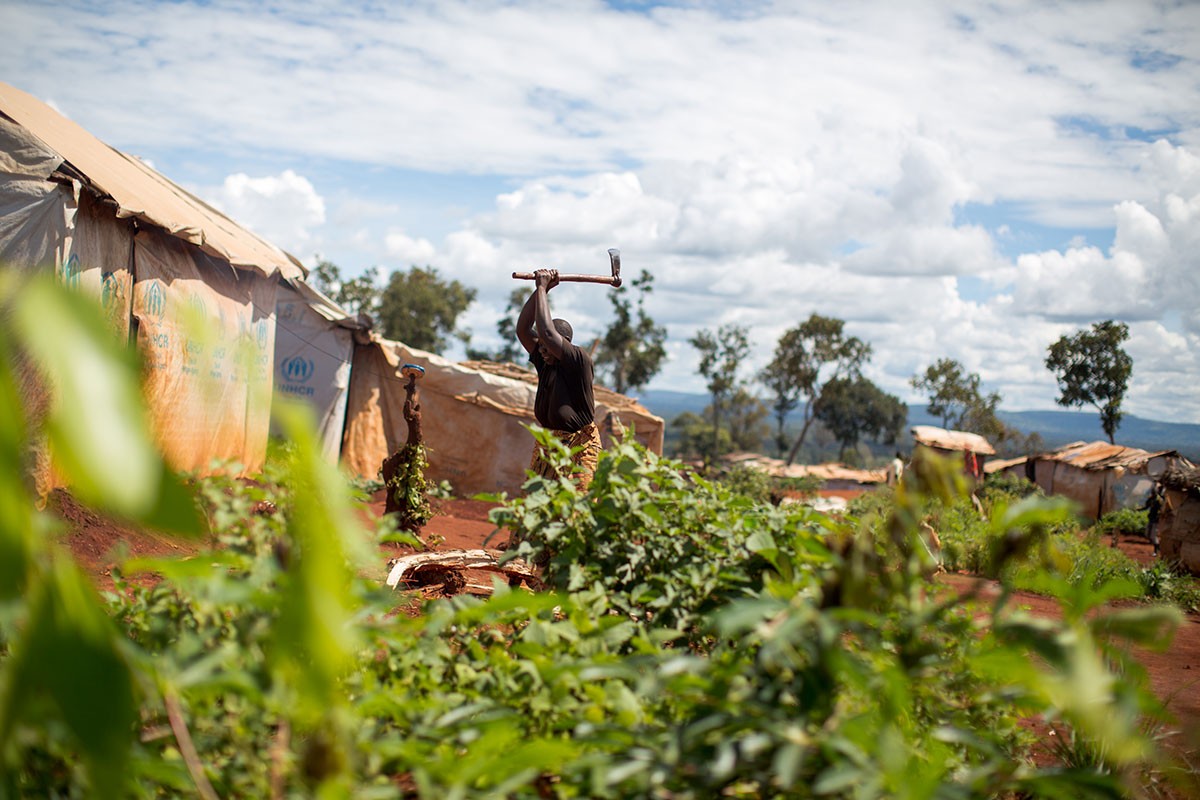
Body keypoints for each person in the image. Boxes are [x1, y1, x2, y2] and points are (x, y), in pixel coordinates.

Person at [516, 268, 601, 490]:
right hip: (548, 446)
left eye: (548, 346)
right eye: (541, 347)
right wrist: (541, 291)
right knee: (534, 510)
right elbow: (523, 330)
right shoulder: (545, 363)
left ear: (563, 343)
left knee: (573, 512)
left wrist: (542, 287)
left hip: (578, 449)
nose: (542, 350)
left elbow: (545, 332)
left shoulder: (577, 360)